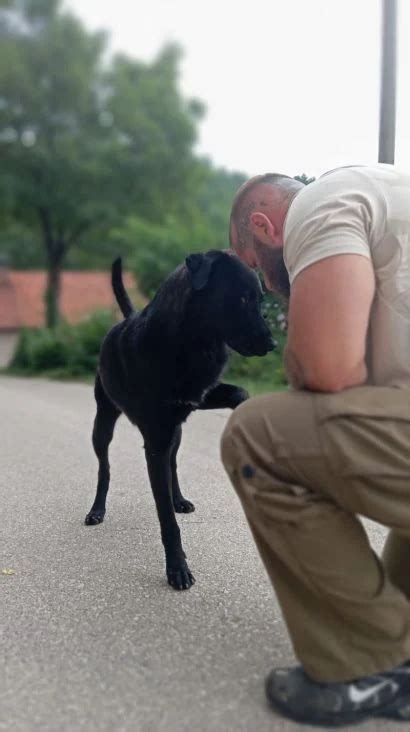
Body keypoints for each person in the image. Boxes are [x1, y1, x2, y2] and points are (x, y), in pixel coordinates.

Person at [220, 165, 410, 726]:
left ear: (264, 225)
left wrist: (301, 353)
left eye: (256, 266)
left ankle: (372, 669)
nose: (267, 285)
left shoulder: (320, 204)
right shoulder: (390, 196)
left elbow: (327, 374)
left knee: (260, 435)